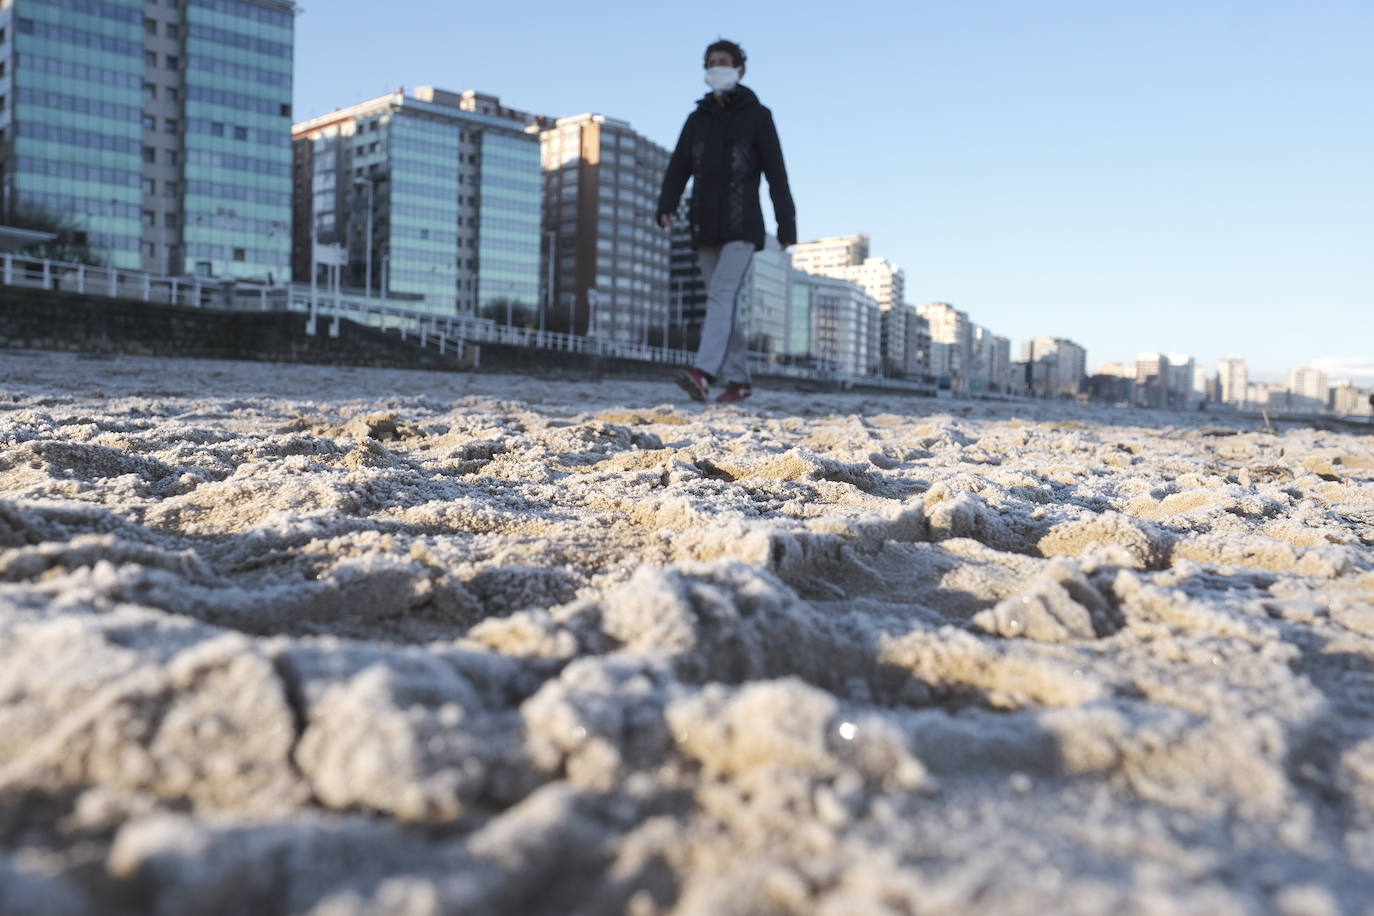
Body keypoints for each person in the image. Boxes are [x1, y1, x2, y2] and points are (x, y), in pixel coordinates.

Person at [657, 39, 796, 404]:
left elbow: (776, 174)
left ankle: (703, 374)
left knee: (721, 295)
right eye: (711, 62)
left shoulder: (758, 116)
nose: (717, 67)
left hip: (743, 227)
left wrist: (786, 226)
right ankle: (740, 382)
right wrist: (666, 204)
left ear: (740, 69)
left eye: (724, 61)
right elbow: (678, 168)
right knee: (724, 302)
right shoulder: (696, 119)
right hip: (703, 227)